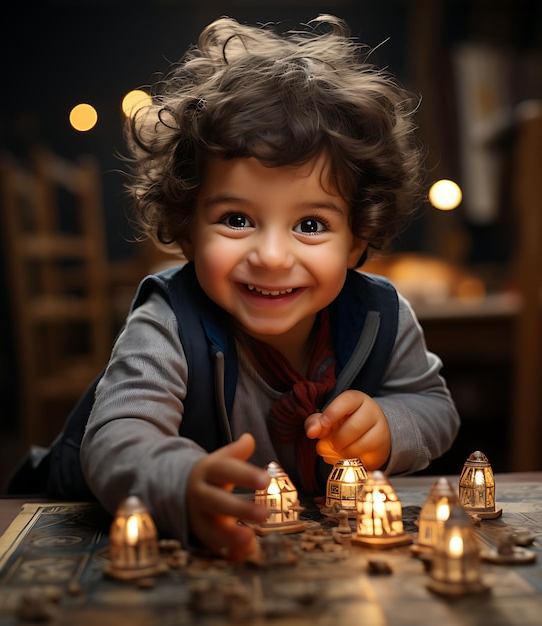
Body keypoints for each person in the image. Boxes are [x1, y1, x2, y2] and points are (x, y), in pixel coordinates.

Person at [79, 14, 460, 561]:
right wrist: (178, 480)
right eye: (236, 219)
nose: (273, 257)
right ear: (186, 228)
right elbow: (117, 435)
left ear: (358, 239)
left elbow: (433, 406)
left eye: (310, 225)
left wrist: (390, 428)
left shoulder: (381, 313)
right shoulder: (169, 318)